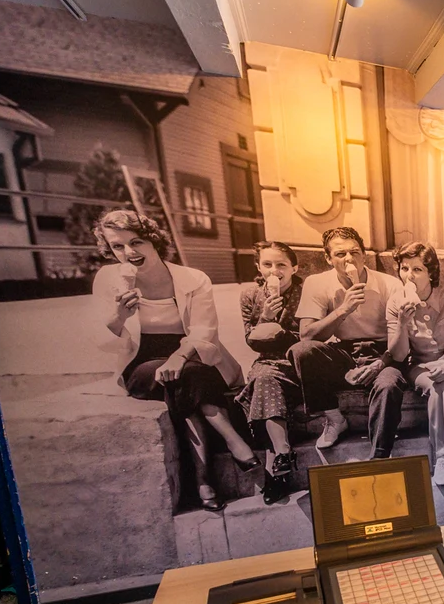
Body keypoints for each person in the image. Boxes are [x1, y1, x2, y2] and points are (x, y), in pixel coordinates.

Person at [91, 209, 249, 512]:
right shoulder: (108, 279)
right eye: (117, 246)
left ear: (154, 240)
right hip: (140, 360)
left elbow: (204, 330)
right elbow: (102, 341)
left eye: (136, 242)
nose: (129, 252)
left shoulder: (193, 278)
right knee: (186, 378)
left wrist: (178, 356)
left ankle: (203, 481)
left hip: (190, 353)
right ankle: (233, 440)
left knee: (185, 378)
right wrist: (118, 316)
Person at [290, 227, 409, 456]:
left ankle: (380, 455)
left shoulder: (389, 284)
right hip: (344, 352)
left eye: (354, 252)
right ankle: (334, 419)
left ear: (364, 255)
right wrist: (344, 309)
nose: (349, 259)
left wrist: (380, 364)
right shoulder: (316, 283)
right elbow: (307, 335)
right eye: (340, 254)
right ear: (328, 259)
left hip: (385, 351)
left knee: (389, 384)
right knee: (302, 350)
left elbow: (400, 338)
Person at [386, 242, 444, 486]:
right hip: (421, 364)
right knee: (440, 386)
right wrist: (402, 323)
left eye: (417, 269)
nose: (409, 276)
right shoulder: (395, 302)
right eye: (404, 269)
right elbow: (399, 356)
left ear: (431, 273)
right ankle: (442, 456)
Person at [236, 241, 305, 504]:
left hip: (297, 360)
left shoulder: (305, 291)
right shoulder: (250, 295)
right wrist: (265, 317)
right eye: (267, 264)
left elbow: (310, 335)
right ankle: (282, 452)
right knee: (264, 379)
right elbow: (251, 340)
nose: (274, 271)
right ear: (258, 267)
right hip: (267, 362)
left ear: (294, 268)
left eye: (281, 265)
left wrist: (280, 331)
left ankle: (275, 473)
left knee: (264, 385)